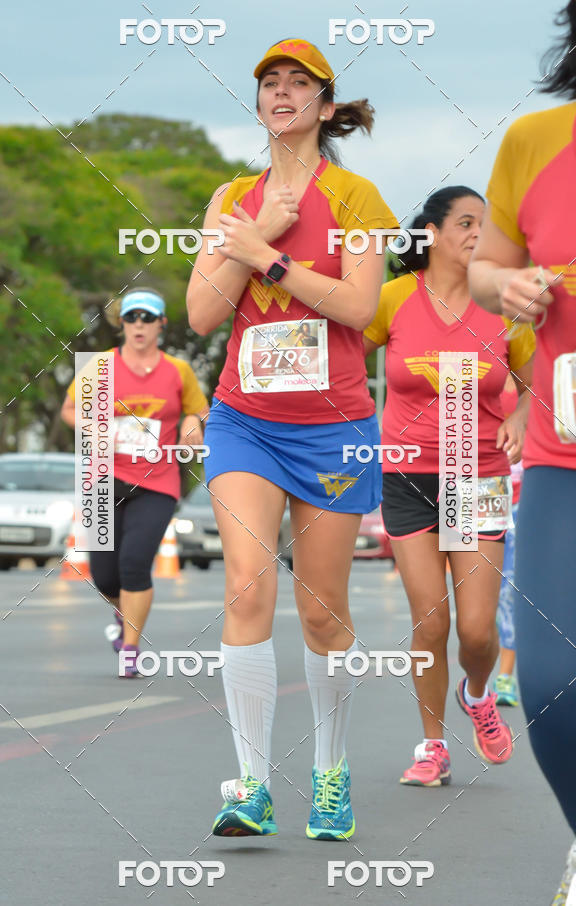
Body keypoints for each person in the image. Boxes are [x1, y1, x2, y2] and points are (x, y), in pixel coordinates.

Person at [186, 38, 397, 839]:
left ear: (325, 106)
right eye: (270, 82)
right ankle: (250, 786)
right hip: (245, 421)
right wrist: (246, 242)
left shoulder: (357, 198)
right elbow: (202, 314)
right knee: (247, 586)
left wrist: (266, 254)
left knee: (322, 613)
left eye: (298, 82)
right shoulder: (231, 197)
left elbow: (360, 309)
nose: (281, 92)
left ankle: (330, 774)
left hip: (333, 431)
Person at [363, 186, 535, 788]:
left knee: (477, 631)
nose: (477, 234)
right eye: (465, 222)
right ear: (431, 233)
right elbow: (343, 362)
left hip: (477, 476)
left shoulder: (505, 307)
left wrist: (520, 417)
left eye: (485, 225)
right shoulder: (392, 299)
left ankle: (478, 694)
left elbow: (533, 383)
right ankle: (431, 745)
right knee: (430, 620)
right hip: (407, 475)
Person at [469, 2, 576, 899]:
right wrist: (509, 284)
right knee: (548, 680)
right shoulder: (536, 139)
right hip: (563, 455)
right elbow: (481, 269)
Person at [61, 288, 209, 676]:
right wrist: (94, 427)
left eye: (147, 317)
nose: (139, 324)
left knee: (134, 564)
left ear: (161, 324)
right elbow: (70, 409)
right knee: (105, 576)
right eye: (131, 317)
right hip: (103, 478)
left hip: (157, 480)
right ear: (121, 324)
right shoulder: (100, 367)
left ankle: (130, 647)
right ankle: (120, 611)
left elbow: (198, 411)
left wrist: (191, 427)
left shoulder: (178, 370)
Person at [493, 376, 522, 708]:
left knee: (510, 591)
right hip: (478, 496)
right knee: (477, 594)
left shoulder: (538, 383)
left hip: (523, 502)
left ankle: (505, 676)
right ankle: (475, 675)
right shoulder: (476, 374)